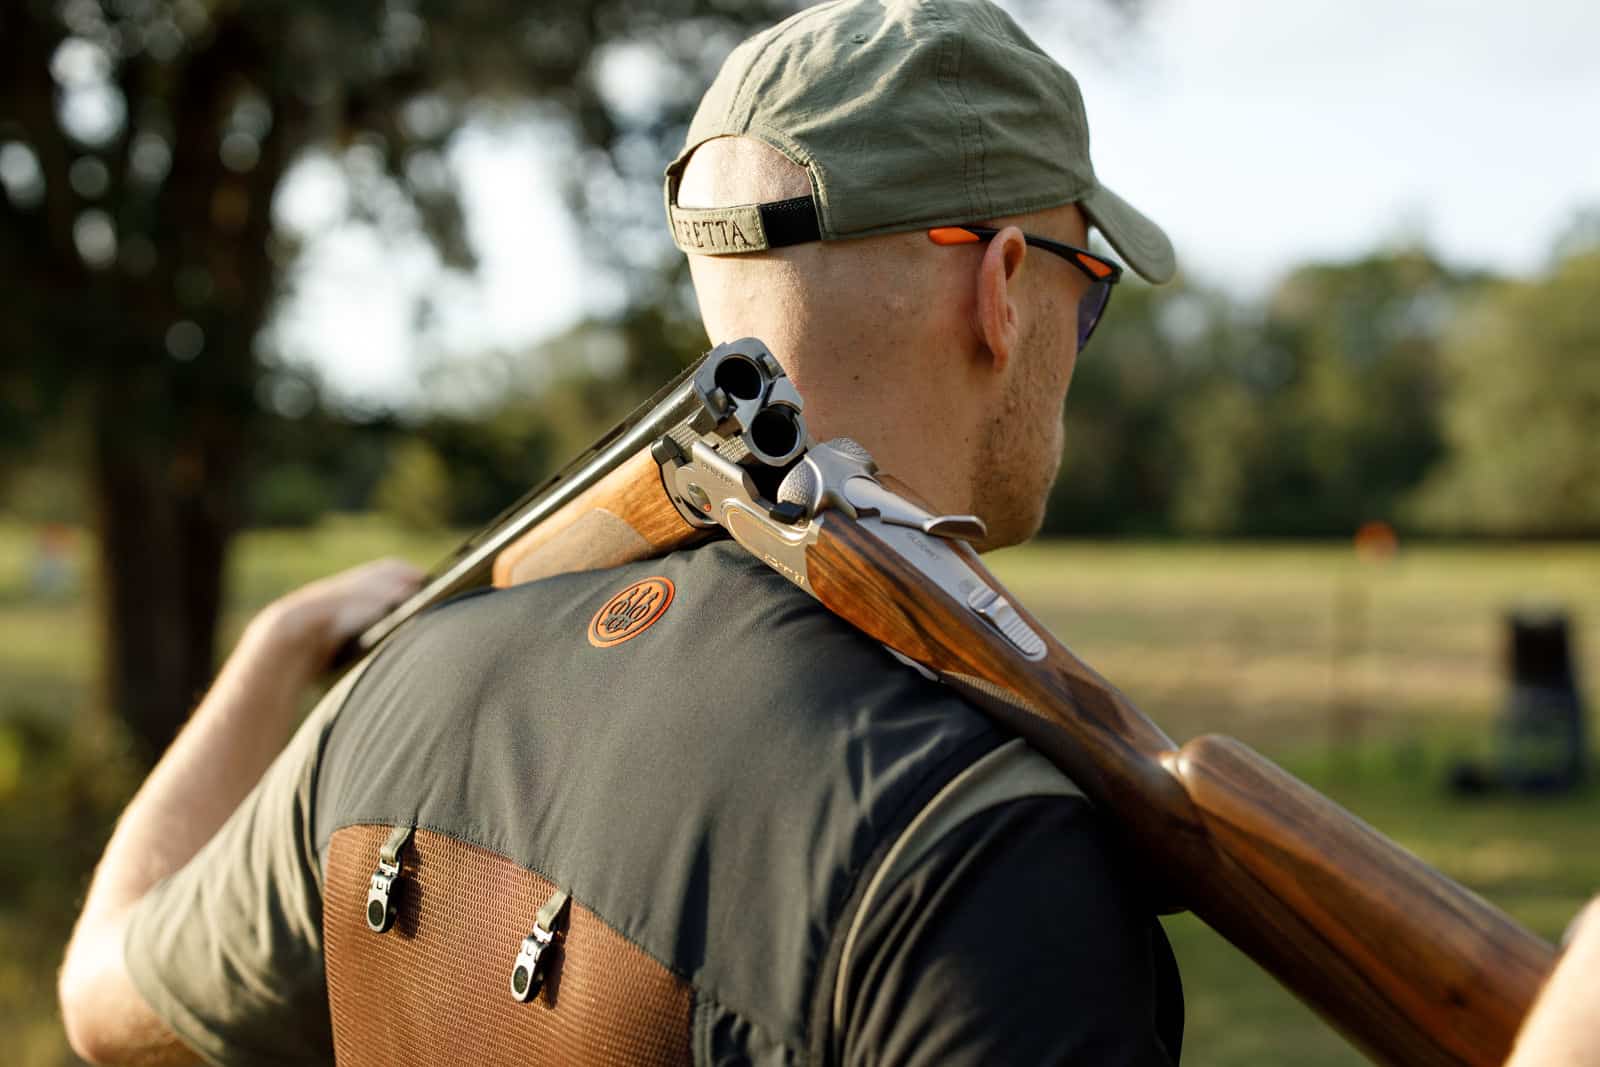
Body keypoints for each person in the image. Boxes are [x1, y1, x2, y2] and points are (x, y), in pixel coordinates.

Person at [60, 0, 1185, 1063]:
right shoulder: (995, 851)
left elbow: (104, 1002)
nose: (1075, 337)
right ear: (997, 287)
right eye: (1085, 287)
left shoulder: (400, 690)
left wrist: (273, 653)